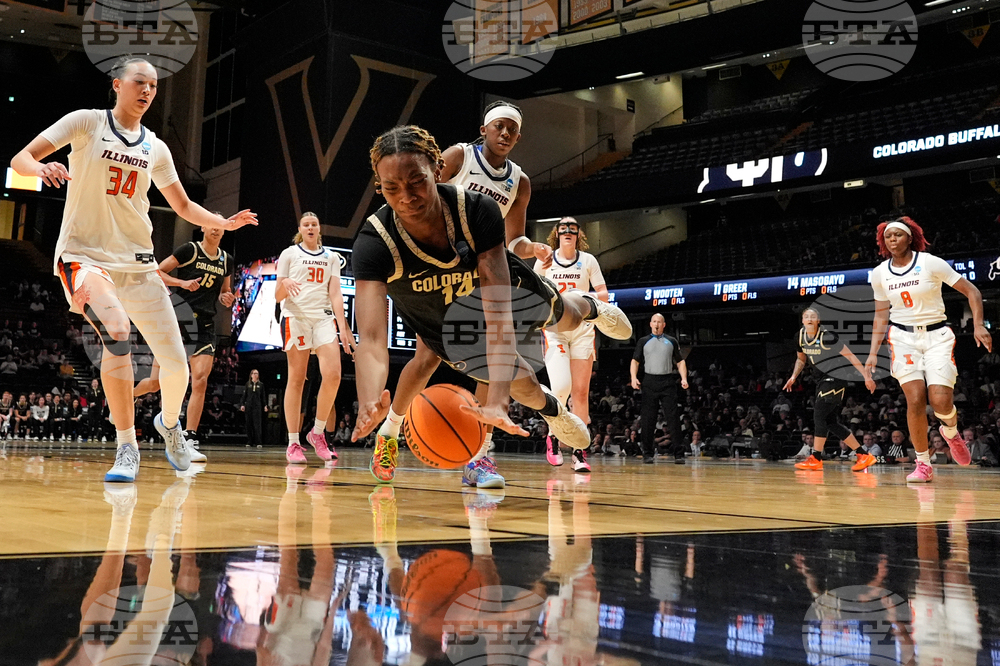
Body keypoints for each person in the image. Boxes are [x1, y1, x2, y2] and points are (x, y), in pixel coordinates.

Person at [9, 55, 257, 482]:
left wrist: (220, 222)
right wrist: (42, 166)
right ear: (117, 84)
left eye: (155, 86)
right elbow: (21, 158)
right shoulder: (87, 122)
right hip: (85, 258)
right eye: (140, 82)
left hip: (139, 264)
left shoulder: (156, 147)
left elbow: (181, 205)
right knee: (118, 332)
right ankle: (127, 446)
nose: (147, 91)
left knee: (176, 367)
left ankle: (171, 426)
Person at [350, 125, 632, 483]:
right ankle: (553, 411)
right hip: (446, 318)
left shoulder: (475, 210)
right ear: (379, 185)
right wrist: (369, 399)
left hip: (498, 293)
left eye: (416, 181)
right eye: (391, 188)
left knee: (564, 317)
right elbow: (372, 340)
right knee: (521, 386)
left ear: (438, 170)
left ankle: (590, 306)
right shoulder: (374, 242)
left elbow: (497, 311)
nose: (405, 196)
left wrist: (496, 401)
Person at [371, 102, 553, 489]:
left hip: (482, 267)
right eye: (498, 126)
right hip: (439, 264)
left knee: (490, 352)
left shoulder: (519, 181)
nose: (504, 134)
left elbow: (513, 239)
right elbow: (424, 195)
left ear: (518, 138)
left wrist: (531, 248)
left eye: (511, 130)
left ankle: (481, 456)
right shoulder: (458, 155)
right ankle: (388, 434)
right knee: (424, 358)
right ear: (484, 129)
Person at [864, 217, 991, 483]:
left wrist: (978, 325)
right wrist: (873, 352)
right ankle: (923, 463)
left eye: (898, 235)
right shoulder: (879, 273)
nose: (893, 240)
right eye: (888, 237)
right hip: (902, 338)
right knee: (915, 399)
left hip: (937, 336)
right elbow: (880, 315)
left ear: (910, 238)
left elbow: (973, 291)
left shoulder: (929, 262)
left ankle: (951, 431)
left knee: (941, 401)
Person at [132, 223, 236, 461]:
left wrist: (226, 297)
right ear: (203, 227)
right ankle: (128, 396)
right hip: (178, 320)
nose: (217, 229)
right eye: (212, 224)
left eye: (221, 226)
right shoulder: (189, 250)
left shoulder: (227, 260)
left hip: (206, 325)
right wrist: (181, 283)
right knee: (155, 384)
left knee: (200, 380)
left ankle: (189, 438)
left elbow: (225, 291)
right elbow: (158, 272)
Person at [275, 212, 356, 464]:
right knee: (297, 379)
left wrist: (343, 327)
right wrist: (285, 282)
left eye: (314, 224)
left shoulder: (331, 257)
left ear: (319, 229)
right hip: (295, 317)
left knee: (333, 375)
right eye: (306, 224)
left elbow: (335, 294)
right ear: (300, 229)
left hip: (323, 318)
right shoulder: (289, 254)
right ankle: (292, 443)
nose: (310, 227)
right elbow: (278, 296)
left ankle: (317, 433)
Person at [535, 217, 608, 473]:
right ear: (556, 234)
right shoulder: (545, 260)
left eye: (572, 228)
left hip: (583, 331)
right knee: (561, 388)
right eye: (563, 227)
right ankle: (554, 437)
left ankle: (579, 452)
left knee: (580, 393)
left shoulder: (588, 260)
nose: (567, 231)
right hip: (556, 331)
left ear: (578, 234)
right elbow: (533, 292)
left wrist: (579, 298)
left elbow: (603, 294)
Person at [784, 307, 878, 473]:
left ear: (818, 321)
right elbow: (801, 359)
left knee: (818, 414)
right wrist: (793, 377)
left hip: (836, 377)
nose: (810, 319)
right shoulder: (799, 336)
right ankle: (863, 455)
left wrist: (866, 377)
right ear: (803, 321)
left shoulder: (827, 336)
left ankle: (816, 458)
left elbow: (850, 356)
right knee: (830, 423)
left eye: (813, 316)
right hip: (821, 380)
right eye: (806, 316)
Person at [630, 314, 688, 464]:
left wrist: (684, 378)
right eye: (654, 322)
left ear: (664, 324)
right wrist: (633, 377)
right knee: (648, 419)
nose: (656, 324)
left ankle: (679, 454)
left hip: (667, 380)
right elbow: (635, 361)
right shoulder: (643, 341)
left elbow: (680, 361)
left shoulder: (671, 341)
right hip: (650, 381)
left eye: (659, 322)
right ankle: (647, 453)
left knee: (673, 418)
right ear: (650, 324)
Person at [240, 369, 267, 448]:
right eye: (254, 373)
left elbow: (263, 396)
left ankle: (258, 441)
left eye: (257, 373)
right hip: (249, 406)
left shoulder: (261, 385)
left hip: (257, 407)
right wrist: (242, 404)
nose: (255, 375)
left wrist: (265, 405)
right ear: (251, 375)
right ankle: (249, 441)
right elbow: (244, 395)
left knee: (257, 425)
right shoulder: (248, 384)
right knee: (249, 424)